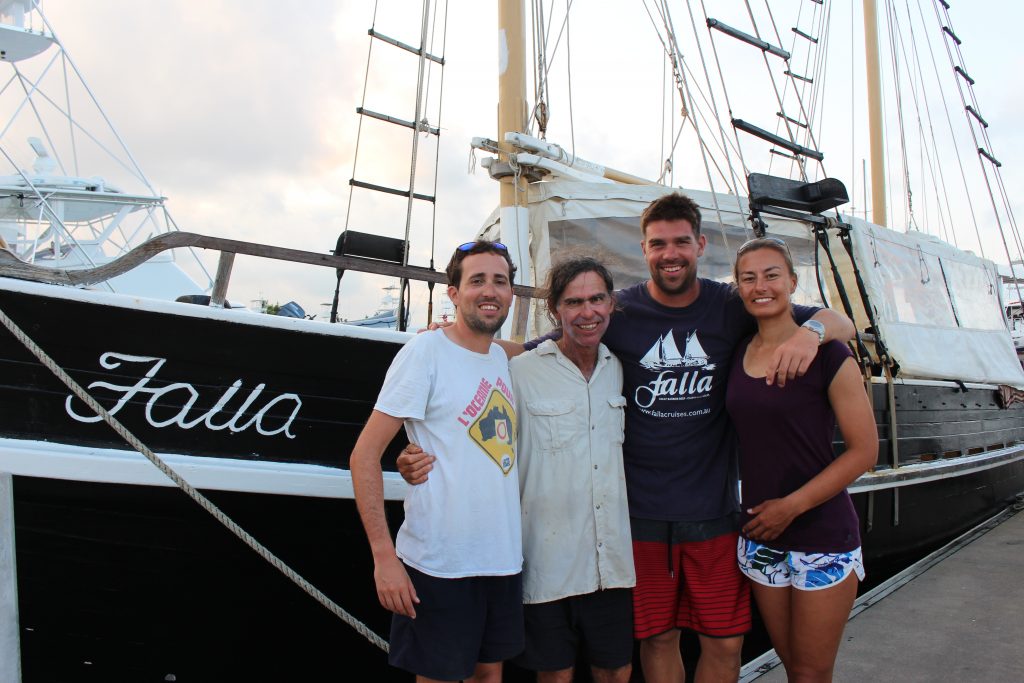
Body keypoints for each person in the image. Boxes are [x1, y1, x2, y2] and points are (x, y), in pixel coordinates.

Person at [401, 192, 856, 683]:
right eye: (658, 244)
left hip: (717, 516)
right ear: (645, 250)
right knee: (658, 640)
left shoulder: (731, 304)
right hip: (640, 521)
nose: (671, 253)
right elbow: (530, 353)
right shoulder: (623, 314)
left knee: (724, 642)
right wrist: (455, 343)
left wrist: (812, 335)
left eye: (681, 241)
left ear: (699, 244)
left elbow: (836, 322)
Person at [403, 255, 636, 683]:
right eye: (573, 302)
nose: (587, 312)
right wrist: (412, 453)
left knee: (617, 672)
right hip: (544, 565)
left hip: (612, 565)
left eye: (598, 299)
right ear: (555, 310)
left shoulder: (620, 367)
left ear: (612, 304)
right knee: (553, 676)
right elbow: (462, 399)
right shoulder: (519, 369)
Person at [350, 240, 524, 683]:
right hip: (439, 563)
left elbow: (545, 345)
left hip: (501, 559)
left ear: (511, 293)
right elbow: (364, 455)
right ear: (453, 291)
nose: (490, 291)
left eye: (500, 281)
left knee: (489, 674)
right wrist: (383, 557)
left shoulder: (504, 358)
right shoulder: (424, 352)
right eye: (477, 280)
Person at [726, 237, 877, 683]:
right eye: (748, 278)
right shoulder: (738, 352)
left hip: (821, 534)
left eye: (772, 275)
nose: (761, 286)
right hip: (761, 536)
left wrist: (791, 507)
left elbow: (866, 450)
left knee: (812, 673)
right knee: (793, 666)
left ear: (792, 281)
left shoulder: (829, 353)